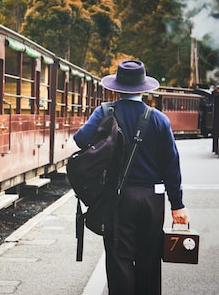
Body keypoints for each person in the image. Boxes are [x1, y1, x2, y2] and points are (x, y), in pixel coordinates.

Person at [73, 60, 190, 295]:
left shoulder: (105, 112)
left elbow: (81, 140)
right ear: (143, 89)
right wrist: (177, 205)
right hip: (151, 200)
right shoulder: (159, 119)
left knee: (119, 258)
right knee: (149, 257)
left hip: (116, 198)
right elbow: (171, 165)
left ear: (116, 88)